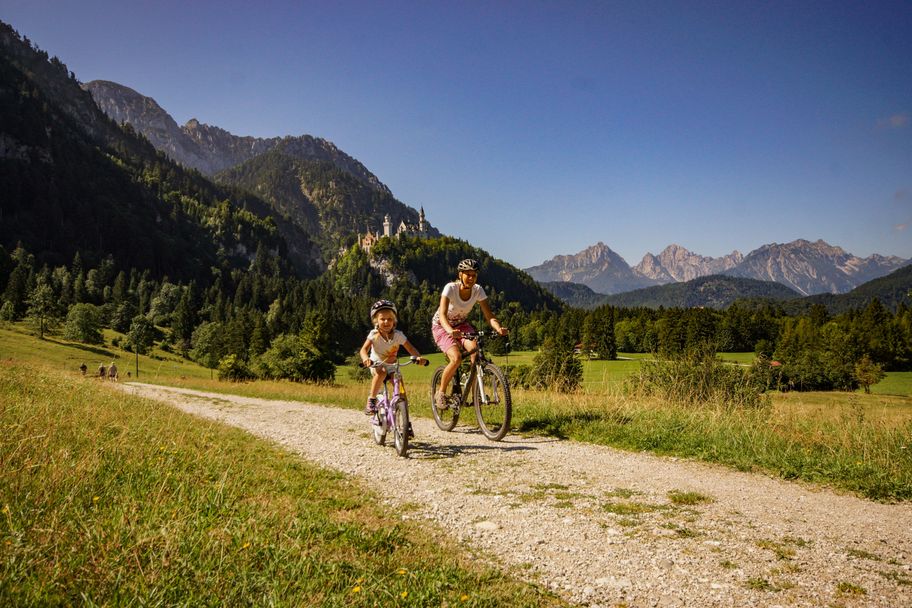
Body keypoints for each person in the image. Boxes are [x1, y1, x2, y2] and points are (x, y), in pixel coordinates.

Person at [432, 258, 508, 410]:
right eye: (468, 274)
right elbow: (442, 315)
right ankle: (440, 393)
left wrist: (498, 328)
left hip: (461, 325)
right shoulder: (450, 288)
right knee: (456, 358)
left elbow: (489, 316)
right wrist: (449, 331)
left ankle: (475, 393)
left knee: (476, 352)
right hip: (442, 326)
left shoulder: (478, 290)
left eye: (474, 275)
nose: (471, 278)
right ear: (460, 275)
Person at [358, 300, 425, 415]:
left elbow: (411, 349)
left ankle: (405, 420)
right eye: (382, 319)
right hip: (376, 364)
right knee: (382, 372)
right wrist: (366, 359)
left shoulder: (398, 335)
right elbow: (363, 350)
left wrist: (418, 358)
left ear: (394, 321)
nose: (386, 322)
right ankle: (372, 399)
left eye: (390, 319)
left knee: (401, 389)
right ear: (376, 321)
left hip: (393, 366)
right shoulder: (374, 335)